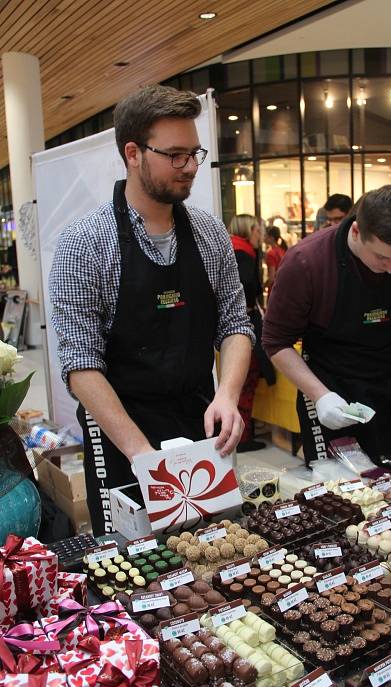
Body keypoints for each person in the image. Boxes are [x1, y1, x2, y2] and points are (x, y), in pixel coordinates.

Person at [50, 85, 254, 535]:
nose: (191, 167)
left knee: (212, 552)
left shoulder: (209, 233)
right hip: (122, 434)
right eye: (175, 155)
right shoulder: (84, 243)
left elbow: (236, 324)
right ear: (133, 153)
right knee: (135, 566)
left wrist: (228, 395)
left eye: (194, 153)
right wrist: (143, 455)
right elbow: (81, 364)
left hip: (199, 421)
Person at [262, 184, 391, 464]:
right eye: (381, 257)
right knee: (338, 494)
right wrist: (319, 396)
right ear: (356, 231)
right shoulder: (307, 262)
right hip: (328, 387)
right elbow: (275, 341)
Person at [229, 214, 275, 452]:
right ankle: (243, 436)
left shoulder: (231, 248)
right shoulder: (244, 254)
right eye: (259, 230)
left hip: (232, 330)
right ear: (250, 229)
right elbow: (248, 289)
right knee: (246, 384)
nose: (261, 235)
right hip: (245, 328)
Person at [264, 225, 287, 299]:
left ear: (271, 238)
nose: (263, 237)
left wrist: (263, 287)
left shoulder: (271, 253)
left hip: (274, 292)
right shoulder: (282, 250)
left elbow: (271, 278)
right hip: (283, 289)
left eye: (265, 235)